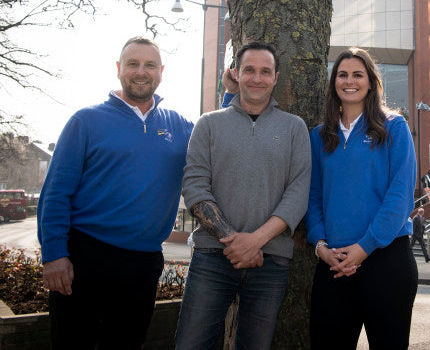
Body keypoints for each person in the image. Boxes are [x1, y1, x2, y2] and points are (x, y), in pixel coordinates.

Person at [37, 36, 194, 349]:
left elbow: (219, 133)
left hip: (143, 264)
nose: (141, 71)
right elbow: (56, 192)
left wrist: (231, 94)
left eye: (149, 65)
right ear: (119, 69)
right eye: (133, 63)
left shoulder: (179, 126)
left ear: (161, 72)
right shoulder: (86, 121)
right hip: (84, 258)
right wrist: (54, 254)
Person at [175, 41, 311, 349]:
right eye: (249, 70)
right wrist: (233, 240)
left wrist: (255, 241)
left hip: (271, 259)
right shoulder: (208, 124)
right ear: (236, 74)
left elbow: (298, 193)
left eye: (265, 71)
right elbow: (195, 187)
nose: (257, 78)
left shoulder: (294, 128)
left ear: (276, 77)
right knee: (191, 344)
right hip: (212, 255)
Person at [305, 47, 418, 349]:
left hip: (386, 260)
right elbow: (313, 196)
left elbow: (400, 197)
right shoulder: (319, 136)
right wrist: (319, 246)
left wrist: (365, 247)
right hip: (333, 262)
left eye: (358, 74)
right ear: (333, 83)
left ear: (370, 82)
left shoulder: (394, 126)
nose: (349, 81)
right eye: (342, 75)